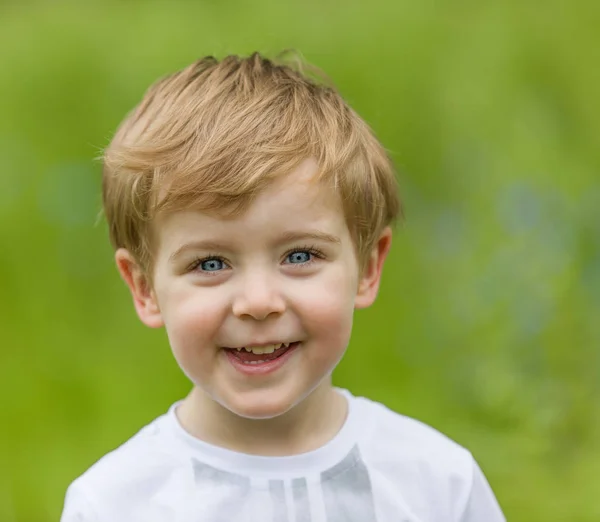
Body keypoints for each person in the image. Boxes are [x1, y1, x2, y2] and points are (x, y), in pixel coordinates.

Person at [60, 52, 505, 522]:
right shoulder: (115, 504)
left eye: (299, 256)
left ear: (369, 266)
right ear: (145, 288)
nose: (257, 303)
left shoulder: (437, 485)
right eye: (210, 263)